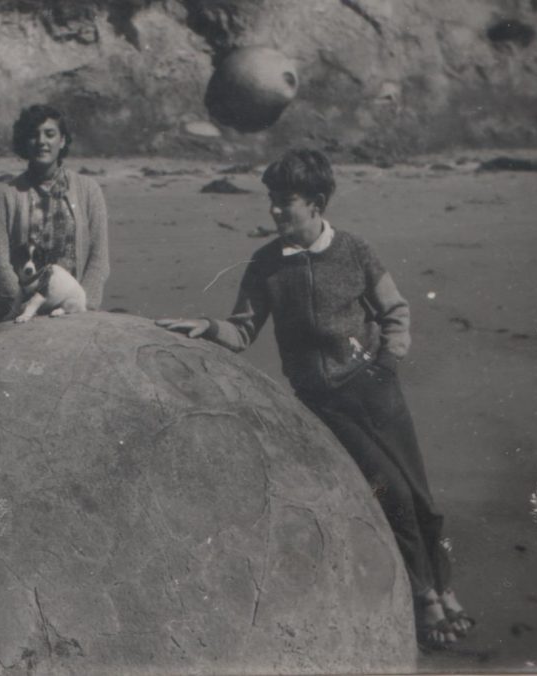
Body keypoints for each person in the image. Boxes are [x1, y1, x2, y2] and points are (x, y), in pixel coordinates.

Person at [156, 149, 474, 651]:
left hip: (375, 388)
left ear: (318, 204)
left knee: (421, 497)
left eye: (287, 203)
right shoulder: (266, 266)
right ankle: (423, 597)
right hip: (325, 403)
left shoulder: (353, 250)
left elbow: (395, 309)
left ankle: (444, 585)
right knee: (391, 494)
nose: (276, 213)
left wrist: (388, 363)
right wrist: (207, 327)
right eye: (272, 203)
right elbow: (242, 331)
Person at [0, 104, 109, 324]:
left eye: (50, 134)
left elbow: (99, 259)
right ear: (25, 142)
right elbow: (0, 266)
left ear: (62, 141)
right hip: (17, 315)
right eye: (34, 135)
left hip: (72, 312)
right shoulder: (6, 196)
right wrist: (26, 307)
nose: (42, 141)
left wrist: (83, 307)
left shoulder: (89, 190)